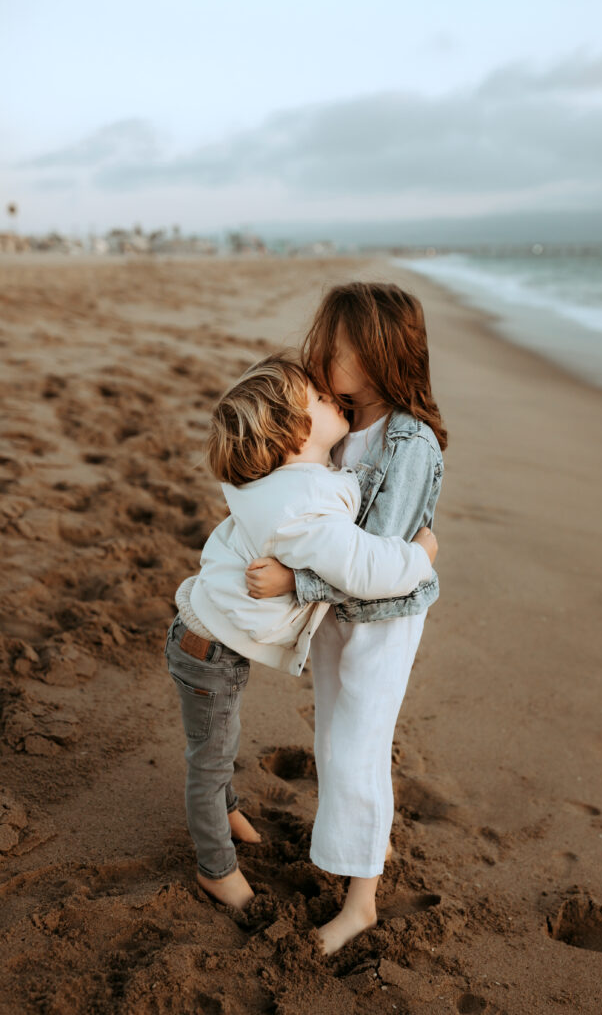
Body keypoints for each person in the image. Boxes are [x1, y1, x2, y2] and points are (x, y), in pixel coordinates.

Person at [165, 354, 438, 911]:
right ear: (292, 436)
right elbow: (363, 569)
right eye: (315, 399)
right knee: (210, 756)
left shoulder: (287, 481)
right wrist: (420, 554)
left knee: (222, 737)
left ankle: (230, 808)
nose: (328, 394)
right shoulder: (301, 506)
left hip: (210, 637)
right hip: (207, 650)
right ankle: (215, 866)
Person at [246, 283, 447, 953]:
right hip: (335, 616)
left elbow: (375, 566)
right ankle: (361, 845)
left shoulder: (406, 443)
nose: (323, 356)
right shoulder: (344, 426)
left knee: (358, 748)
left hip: (377, 619)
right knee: (335, 737)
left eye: (340, 348)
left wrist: (294, 580)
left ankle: (360, 903)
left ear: (383, 352)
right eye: (326, 345)